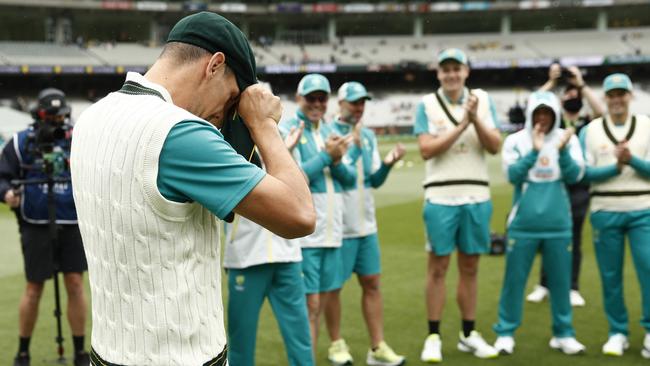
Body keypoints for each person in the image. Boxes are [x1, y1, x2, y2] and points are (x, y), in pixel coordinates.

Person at [69, 12, 315, 366]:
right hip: (182, 356)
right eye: (232, 99)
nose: (223, 115)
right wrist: (262, 124)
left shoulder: (92, 117)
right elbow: (301, 215)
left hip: (108, 353)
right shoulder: (180, 133)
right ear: (214, 66)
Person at [414, 48, 502, 363]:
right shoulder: (426, 104)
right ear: (439, 73)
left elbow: (494, 146)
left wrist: (474, 117)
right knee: (437, 267)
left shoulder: (483, 99)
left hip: (476, 194)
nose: (451, 74)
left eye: (457, 68)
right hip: (440, 196)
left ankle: (468, 333)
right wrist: (463, 124)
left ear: (466, 71)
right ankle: (434, 335)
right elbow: (427, 150)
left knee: (471, 267)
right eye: (445, 69)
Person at [0, 88, 90, 366]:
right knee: (34, 287)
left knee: (75, 283)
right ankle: (23, 351)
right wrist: (7, 194)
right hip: (35, 223)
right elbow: (2, 178)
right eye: (49, 116)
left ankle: (79, 352)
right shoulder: (19, 142)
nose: (55, 121)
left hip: (73, 222)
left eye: (59, 116)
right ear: (38, 115)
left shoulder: (82, 139)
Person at [493, 91, 586, 356]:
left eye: (548, 113)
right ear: (531, 113)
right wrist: (534, 151)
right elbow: (512, 175)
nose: (543, 118)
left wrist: (564, 150)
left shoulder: (567, 138)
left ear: (555, 114)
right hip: (523, 223)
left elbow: (575, 175)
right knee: (514, 281)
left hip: (558, 223)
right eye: (539, 112)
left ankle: (563, 334)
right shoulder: (515, 141)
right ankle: (505, 333)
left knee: (560, 282)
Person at [323, 82, 406, 366]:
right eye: (354, 102)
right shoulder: (329, 134)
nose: (359, 108)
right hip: (339, 227)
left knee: (372, 283)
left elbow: (373, 181)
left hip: (366, 225)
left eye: (363, 103)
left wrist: (388, 164)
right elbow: (343, 176)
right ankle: (336, 343)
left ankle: (377, 347)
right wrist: (354, 147)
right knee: (333, 288)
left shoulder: (368, 135)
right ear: (341, 103)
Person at [223, 117, 314, 366]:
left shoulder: (279, 140)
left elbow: (301, 190)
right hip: (246, 257)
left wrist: (286, 151)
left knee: (300, 339)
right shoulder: (229, 142)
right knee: (241, 341)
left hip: (287, 257)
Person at [279, 73, 354, 361]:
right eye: (311, 98)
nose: (317, 103)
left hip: (332, 230)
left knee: (322, 301)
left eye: (322, 98)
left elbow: (347, 179)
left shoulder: (331, 130)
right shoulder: (288, 130)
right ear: (299, 98)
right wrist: (326, 156)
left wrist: (334, 158)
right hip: (307, 232)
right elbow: (292, 179)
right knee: (309, 305)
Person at [579, 73, 650, 358]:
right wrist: (615, 169)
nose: (617, 99)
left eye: (622, 94)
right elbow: (583, 174)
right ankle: (617, 331)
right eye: (612, 95)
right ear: (605, 98)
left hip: (643, 210)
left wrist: (632, 159)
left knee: (648, 272)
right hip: (605, 210)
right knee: (610, 277)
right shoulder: (591, 130)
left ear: (630, 96)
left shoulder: (646, 126)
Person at [527, 63, 605, 307]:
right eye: (567, 92)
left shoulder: (588, 122)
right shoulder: (555, 121)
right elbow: (535, 104)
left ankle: (572, 286)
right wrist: (551, 81)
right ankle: (544, 284)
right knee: (547, 235)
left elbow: (602, 113)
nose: (572, 95)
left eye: (575, 94)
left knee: (575, 237)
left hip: (579, 186)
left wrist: (581, 83)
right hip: (554, 183)